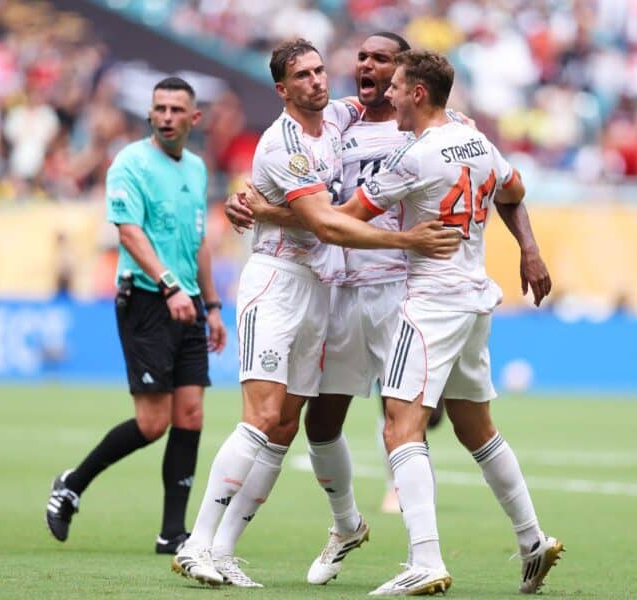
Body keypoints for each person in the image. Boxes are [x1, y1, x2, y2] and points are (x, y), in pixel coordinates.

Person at [239, 49, 561, 595]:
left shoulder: (413, 158)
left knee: (400, 427)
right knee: (477, 428)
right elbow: (515, 188)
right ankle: (532, 538)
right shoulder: (476, 142)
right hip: (474, 297)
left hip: (429, 301)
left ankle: (425, 559)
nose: (387, 93)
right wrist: (528, 248)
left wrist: (266, 210)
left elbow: (336, 222)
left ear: (417, 93)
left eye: (396, 86)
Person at [172, 39, 459, 589]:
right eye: (303, 75)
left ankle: (229, 549)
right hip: (277, 281)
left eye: (320, 70)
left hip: (321, 289)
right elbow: (325, 223)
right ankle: (197, 543)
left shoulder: (338, 119)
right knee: (261, 417)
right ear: (282, 89)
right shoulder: (284, 143)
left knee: (283, 424)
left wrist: (261, 206)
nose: (318, 81)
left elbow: (400, 106)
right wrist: (407, 240)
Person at [45, 77, 227, 555]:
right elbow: (129, 233)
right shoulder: (129, 163)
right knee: (152, 423)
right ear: (150, 113)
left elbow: (198, 242)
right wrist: (169, 285)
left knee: (190, 414)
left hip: (188, 302)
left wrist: (212, 306)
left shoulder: (197, 168)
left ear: (194, 118)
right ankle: (71, 484)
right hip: (148, 299)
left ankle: (172, 534)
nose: (166, 116)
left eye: (176, 109)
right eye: (159, 108)